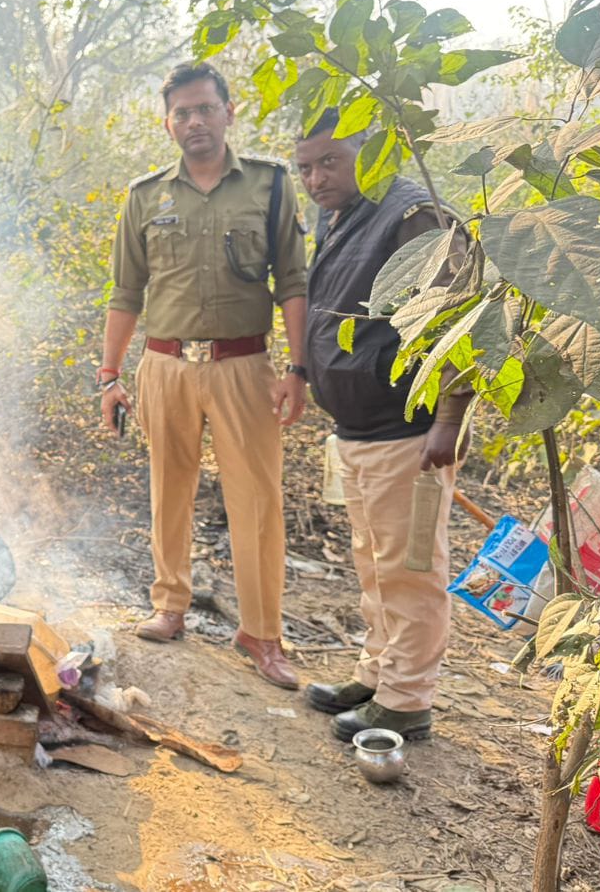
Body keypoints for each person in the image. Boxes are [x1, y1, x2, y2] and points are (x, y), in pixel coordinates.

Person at [98, 62, 308, 690]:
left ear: (228, 112)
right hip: (164, 366)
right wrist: (109, 375)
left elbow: (293, 282)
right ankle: (170, 604)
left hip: (243, 367)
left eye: (205, 108)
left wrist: (297, 370)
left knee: (258, 500)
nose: (195, 121)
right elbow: (125, 292)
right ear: (168, 123)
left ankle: (262, 632)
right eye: (182, 112)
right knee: (170, 488)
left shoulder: (270, 185)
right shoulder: (145, 196)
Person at [295, 108, 470, 742]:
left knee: (410, 568)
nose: (316, 178)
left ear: (369, 152)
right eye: (305, 168)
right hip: (359, 428)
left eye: (330, 162)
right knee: (373, 563)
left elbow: (459, 320)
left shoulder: (413, 215)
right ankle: (378, 672)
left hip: (409, 430)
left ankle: (406, 699)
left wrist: (448, 419)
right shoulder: (342, 214)